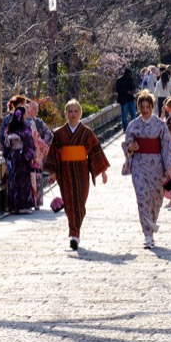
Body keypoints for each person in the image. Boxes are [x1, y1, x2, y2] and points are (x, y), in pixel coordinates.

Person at [44, 99, 110, 250]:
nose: (73, 114)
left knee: (80, 201)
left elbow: (95, 151)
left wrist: (103, 172)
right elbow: (53, 153)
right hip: (65, 170)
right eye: (70, 111)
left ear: (80, 113)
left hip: (81, 169)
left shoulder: (87, 132)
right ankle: (74, 235)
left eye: (75, 111)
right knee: (69, 202)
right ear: (65, 113)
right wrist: (53, 173)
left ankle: (75, 232)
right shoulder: (59, 133)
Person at [122, 91, 171, 248]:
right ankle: (147, 235)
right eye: (142, 106)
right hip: (139, 165)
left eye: (148, 106)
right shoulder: (133, 125)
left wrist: (169, 168)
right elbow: (126, 144)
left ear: (152, 107)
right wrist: (130, 147)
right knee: (142, 198)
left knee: (155, 199)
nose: (145, 109)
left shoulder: (160, 125)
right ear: (138, 107)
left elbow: (167, 146)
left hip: (157, 165)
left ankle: (152, 225)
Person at [3, 106, 36, 214]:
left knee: (15, 181)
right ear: (23, 115)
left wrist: (12, 139)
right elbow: (29, 140)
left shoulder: (11, 126)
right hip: (21, 156)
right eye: (25, 113)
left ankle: (15, 206)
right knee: (22, 181)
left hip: (14, 156)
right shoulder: (25, 127)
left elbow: (6, 141)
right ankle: (22, 206)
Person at [26, 99, 54, 208]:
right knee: (28, 177)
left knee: (37, 177)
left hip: (37, 154)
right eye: (34, 109)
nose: (36, 111)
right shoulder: (23, 122)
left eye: (36, 109)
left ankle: (37, 201)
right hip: (27, 153)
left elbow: (49, 134)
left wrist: (41, 147)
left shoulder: (39, 122)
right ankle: (29, 201)